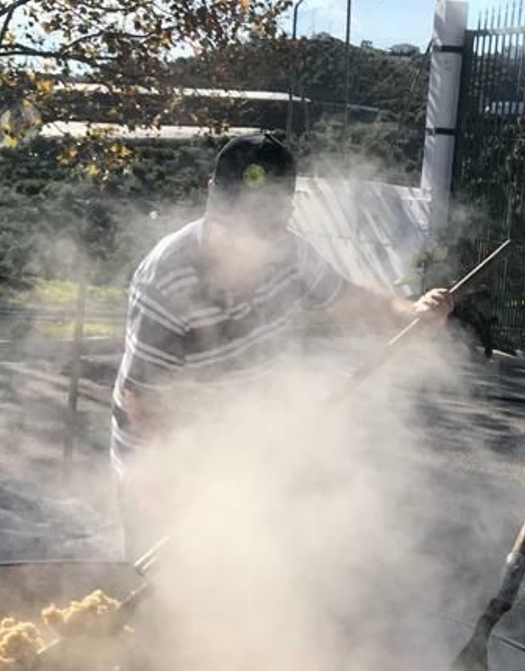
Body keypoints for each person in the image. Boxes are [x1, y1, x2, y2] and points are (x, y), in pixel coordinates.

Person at [110, 132, 453, 554]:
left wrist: (410, 315)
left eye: (262, 226)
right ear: (212, 193)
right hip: (164, 470)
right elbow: (142, 402)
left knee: (245, 584)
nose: (247, 240)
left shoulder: (289, 252)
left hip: (244, 458)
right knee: (161, 597)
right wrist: (204, 480)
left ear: (286, 213)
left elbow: (347, 299)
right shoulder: (168, 275)